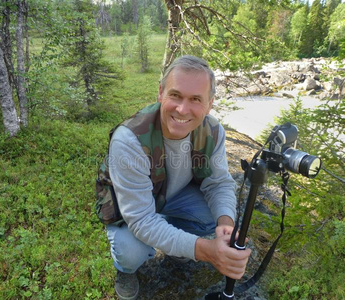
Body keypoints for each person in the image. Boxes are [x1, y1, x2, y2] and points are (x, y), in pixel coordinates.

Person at [96, 55, 251, 300]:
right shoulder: (129, 140)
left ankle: (177, 241)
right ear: (160, 93)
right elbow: (141, 220)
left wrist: (226, 225)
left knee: (215, 217)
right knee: (130, 252)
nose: (182, 109)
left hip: (172, 195)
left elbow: (219, 183)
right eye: (175, 95)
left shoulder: (212, 131)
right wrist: (205, 250)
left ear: (209, 104)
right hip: (131, 207)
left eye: (195, 99)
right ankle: (125, 271)